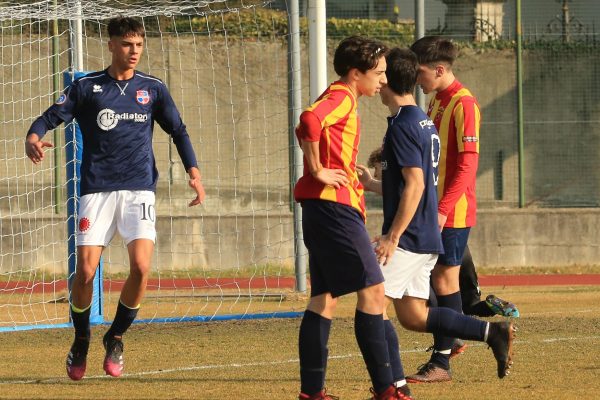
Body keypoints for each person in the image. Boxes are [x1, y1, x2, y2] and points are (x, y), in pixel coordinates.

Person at [24, 17, 205, 381]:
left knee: (141, 267)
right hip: (96, 190)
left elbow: (178, 130)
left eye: (138, 44)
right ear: (110, 45)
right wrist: (33, 135)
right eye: (126, 44)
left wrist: (194, 173)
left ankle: (116, 337)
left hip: (139, 189)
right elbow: (50, 117)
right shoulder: (87, 87)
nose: (134, 51)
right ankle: (81, 339)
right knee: (86, 271)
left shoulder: (152, 88)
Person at [358, 48, 515, 396]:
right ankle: (493, 333)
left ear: (387, 80)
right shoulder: (422, 121)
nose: (378, 80)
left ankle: (393, 386)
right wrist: (372, 184)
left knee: (371, 302)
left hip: (411, 236)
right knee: (414, 316)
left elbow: (415, 185)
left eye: (381, 73)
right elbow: (411, 183)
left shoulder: (403, 125)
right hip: (425, 234)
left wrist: (392, 236)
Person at [294, 36, 404, 400]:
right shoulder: (342, 97)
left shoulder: (340, 96)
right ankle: (386, 390)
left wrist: (323, 167)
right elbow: (308, 121)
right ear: (356, 73)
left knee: (324, 299)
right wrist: (317, 169)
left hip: (322, 208)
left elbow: (308, 126)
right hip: (333, 208)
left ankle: (312, 393)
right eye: (379, 73)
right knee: (373, 291)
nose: (384, 80)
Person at [405, 35, 507, 383]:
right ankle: (454, 336)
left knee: (442, 278)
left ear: (439, 69)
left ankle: (443, 360)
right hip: (434, 208)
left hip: (453, 211)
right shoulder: (436, 101)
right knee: (436, 278)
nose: (417, 79)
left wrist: (444, 208)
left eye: (420, 72)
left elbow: (467, 165)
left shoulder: (464, 104)